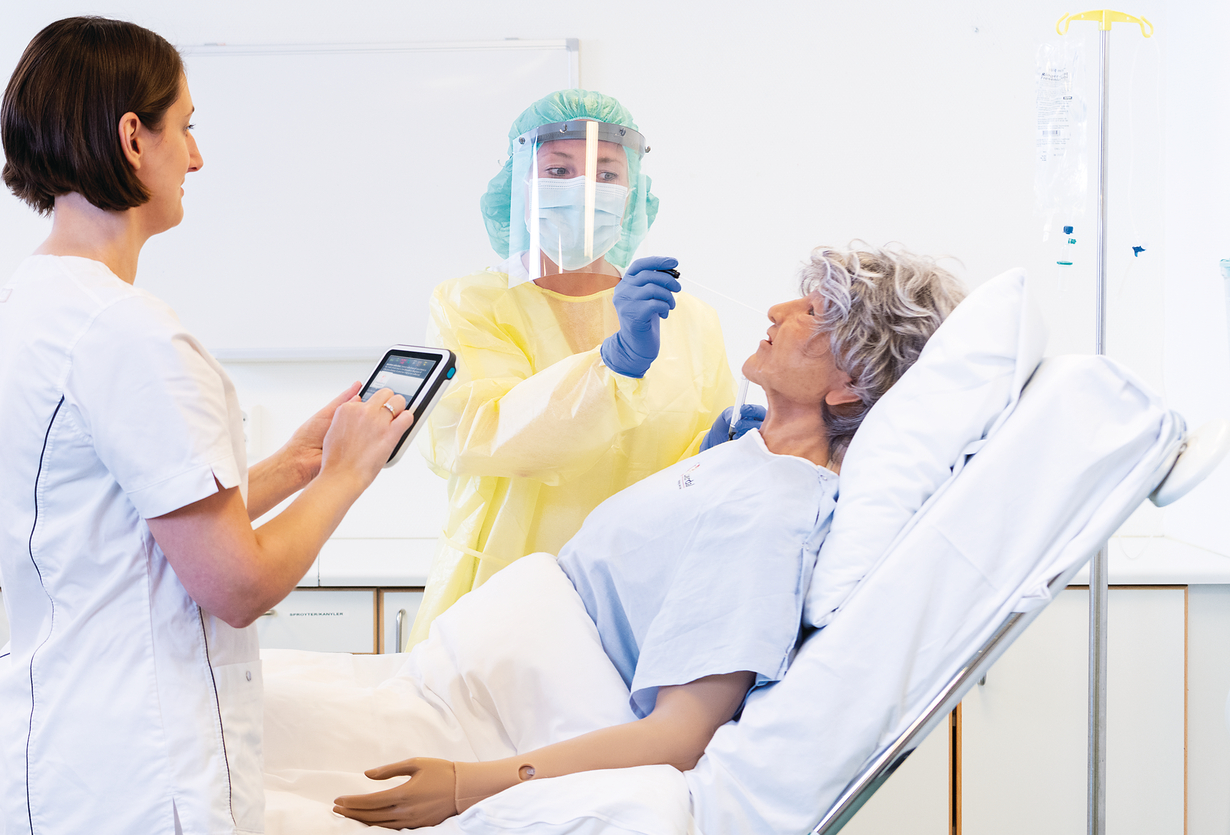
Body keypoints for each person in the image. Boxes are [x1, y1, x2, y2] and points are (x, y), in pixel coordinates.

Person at [333, 244, 966, 828]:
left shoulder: (773, 510)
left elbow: (679, 736)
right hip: (454, 690)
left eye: (813, 310)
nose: (778, 309)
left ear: (852, 381)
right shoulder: (747, 458)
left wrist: (470, 786)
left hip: (495, 729)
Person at [0, 17, 412, 835]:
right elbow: (236, 585)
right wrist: (348, 474)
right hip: (140, 774)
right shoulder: (130, 334)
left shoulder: (23, 306)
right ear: (133, 137)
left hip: (56, 751)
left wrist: (296, 464)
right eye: (186, 126)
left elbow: (131, 523)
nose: (196, 157)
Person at [409, 90, 754, 648]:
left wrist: (719, 455)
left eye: (607, 173)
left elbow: (681, 472)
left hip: (638, 593)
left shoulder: (684, 317)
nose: (584, 190)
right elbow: (477, 435)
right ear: (520, 184)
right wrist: (614, 365)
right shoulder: (472, 304)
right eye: (559, 171)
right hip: (505, 593)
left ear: (634, 192)